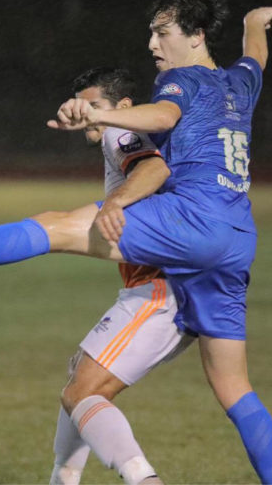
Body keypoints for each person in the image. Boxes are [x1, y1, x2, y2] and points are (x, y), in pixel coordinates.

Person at [0, 0, 272, 484]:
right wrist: (257, 22)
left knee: (56, 227)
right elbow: (256, 55)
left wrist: (102, 117)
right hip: (237, 239)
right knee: (235, 389)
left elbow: (163, 119)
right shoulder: (241, 82)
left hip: (191, 221)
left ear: (195, 36)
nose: (152, 45)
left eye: (161, 32)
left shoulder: (180, 81)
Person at [48, 67, 194, 485]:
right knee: (80, 376)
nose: (87, 114)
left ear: (124, 108)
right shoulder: (117, 136)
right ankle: (63, 478)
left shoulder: (119, 133)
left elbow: (152, 168)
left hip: (159, 290)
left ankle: (142, 479)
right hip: (159, 286)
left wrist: (114, 203)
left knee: (82, 393)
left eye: (96, 105)